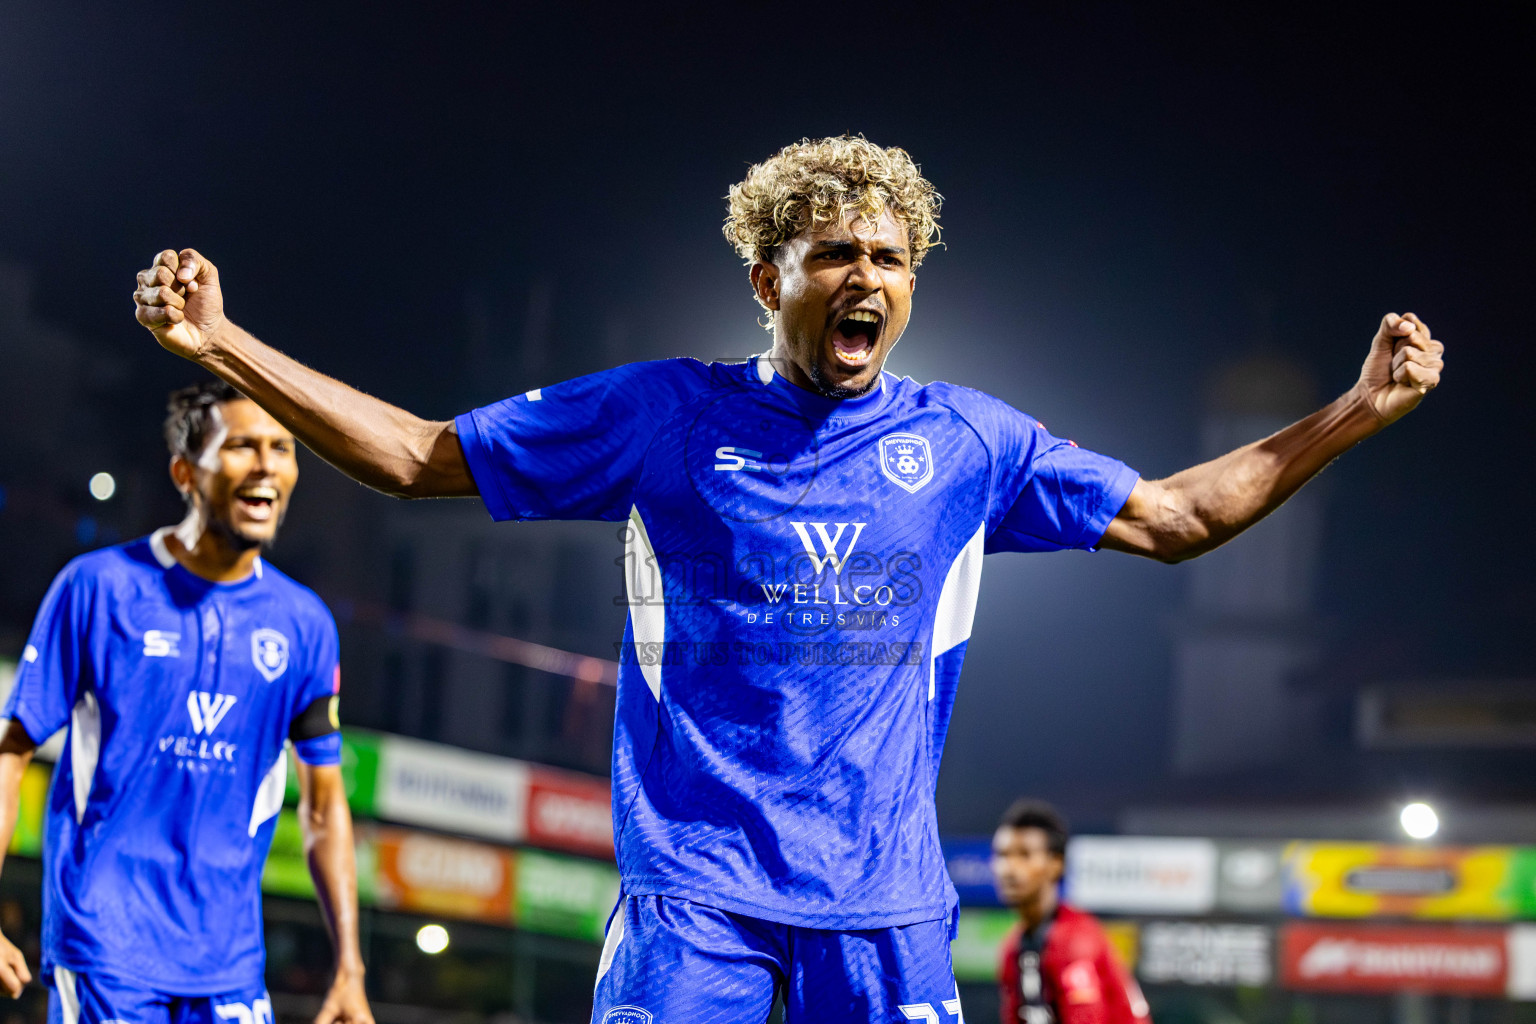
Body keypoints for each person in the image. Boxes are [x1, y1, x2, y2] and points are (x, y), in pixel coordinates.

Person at [130, 136, 1444, 1023]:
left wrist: (1353, 412)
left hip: (886, 909)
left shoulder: (970, 442)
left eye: (889, 258)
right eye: (834, 255)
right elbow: (419, 457)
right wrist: (225, 344)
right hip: (694, 895)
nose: (865, 277)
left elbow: (1175, 516)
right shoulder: (664, 415)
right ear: (770, 280)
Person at [0, 381, 373, 1024]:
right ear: (184, 473)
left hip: (230, 966)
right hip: (105, 950)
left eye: (282, 448)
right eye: (242, 446)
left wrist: (350, 967)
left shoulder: (305, 623)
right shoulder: (96, 587)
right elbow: (11, 754)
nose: (266, 465)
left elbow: (323, 807)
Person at [992, 800, 1149, 1024]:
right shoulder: (1012, 949)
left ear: (1056, 863)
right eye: (1002, 855)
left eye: (1024, 855)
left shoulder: (1075, 941)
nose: (1009, 868)